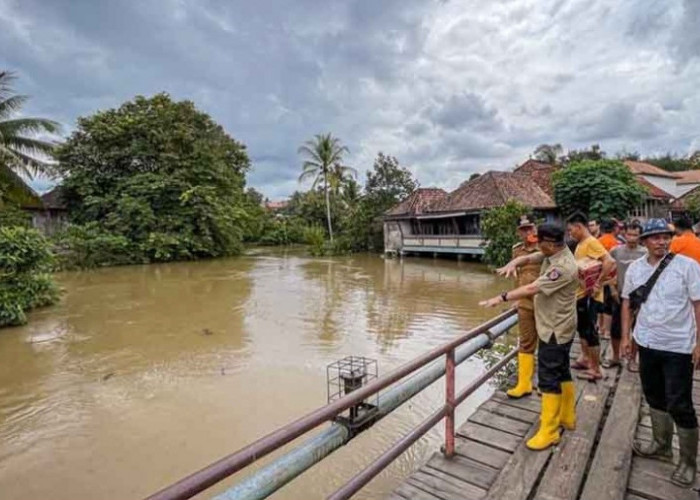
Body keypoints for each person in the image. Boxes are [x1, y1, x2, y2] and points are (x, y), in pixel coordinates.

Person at [483, 223, 579, 450]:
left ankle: (550, 430)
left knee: (548, 378)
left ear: (549, 243)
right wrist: (513, 262)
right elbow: (529, 259)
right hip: (558, 324)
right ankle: (567, 416)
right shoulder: (555, 253)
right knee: (562, 371)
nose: (536, 246)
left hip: (554, 328)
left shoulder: (563, 267)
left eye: (540, 243)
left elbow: (530, 289)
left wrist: (501, 297)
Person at [621, 218, 700, 488]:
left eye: (666, 237)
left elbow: (698, 305)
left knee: (680, 403)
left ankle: (689, 462)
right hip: (646, 342)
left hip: (678, 345)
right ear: (644, 242)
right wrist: (628, 338)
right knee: (654, 395)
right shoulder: (634, 269)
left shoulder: (687, 267)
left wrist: (699, 342)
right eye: (655, 238)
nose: (662, 242)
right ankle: (661, 444)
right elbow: (628, 303)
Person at [567, 212, 616, 381]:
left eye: (571, 229)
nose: (570, 233)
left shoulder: (592, 242)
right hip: (580, 294)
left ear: (579, 227)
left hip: (589, 296)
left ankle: (596, 369)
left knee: (590, 331)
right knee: (582, 328)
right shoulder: (582, 243)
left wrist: (597, 283)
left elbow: (609, 261)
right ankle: (585, 358)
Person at [506, 215, 541, 399]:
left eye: (530, 228)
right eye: (523, 229)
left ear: (535, 229)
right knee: (526, 342)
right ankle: (524, 383)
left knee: (547, 343)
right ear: (519, 232)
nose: (527, 232)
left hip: (544, 304)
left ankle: (546, 382)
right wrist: (516, 297)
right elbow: (517, 276)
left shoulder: (545, 248)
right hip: (525, 304)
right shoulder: (517, 250)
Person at [604, 222, 646, 369]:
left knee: (637, 329)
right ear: (624, 234)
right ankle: (615, 357)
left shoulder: (645, 253)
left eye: (635, 235)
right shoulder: (616, 251)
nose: (632, 238)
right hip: (620, 295)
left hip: (640, 298)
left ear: (640, 236)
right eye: (629, 234)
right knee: (615, 328)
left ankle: (633, 359)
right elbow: (608, 270)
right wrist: (612, 289)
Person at [597, 220, 619, 338]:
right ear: (614, 229)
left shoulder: (597, 241)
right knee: (609, 305)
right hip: (610, 277)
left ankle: (600, 328)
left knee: (600, 302)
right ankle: (607, 331)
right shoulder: (615, 243)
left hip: (598, 276)